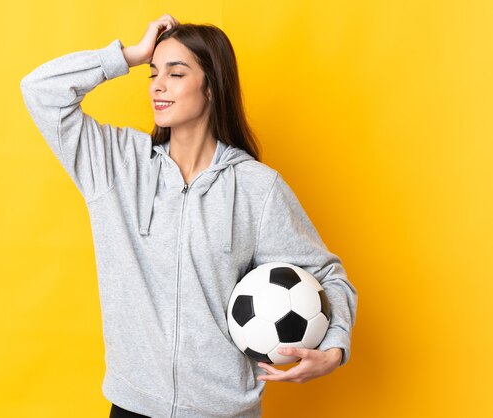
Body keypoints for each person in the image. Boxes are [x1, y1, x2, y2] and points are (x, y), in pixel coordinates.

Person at [20, 14, 357, 418]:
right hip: (134, 406)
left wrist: (334, 347)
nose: (158, 86)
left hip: (223, 410)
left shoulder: (255, 187)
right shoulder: (118, 165)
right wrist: (129, 55)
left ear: (211, 86)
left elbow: (326, 274)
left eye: (175, 74)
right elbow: (40, 91)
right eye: (152, 74)